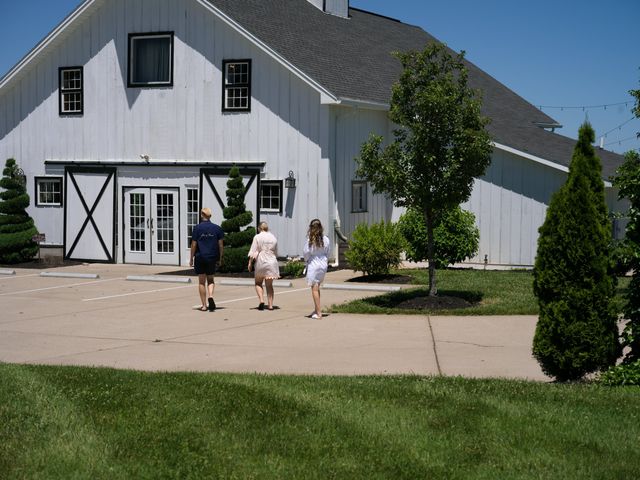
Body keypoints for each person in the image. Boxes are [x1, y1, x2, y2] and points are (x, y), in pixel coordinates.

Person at [189, 207, 224, 312]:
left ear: (201, 215)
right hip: (212, 256)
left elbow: (194, 244)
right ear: (210, 216)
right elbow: (221, 245)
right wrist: (220, 258)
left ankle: (204, 305)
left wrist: (191, 258)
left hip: (200, 256)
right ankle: (211, 296)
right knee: (211, 279)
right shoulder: (217, 228)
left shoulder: (197, 228)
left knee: (201, 282)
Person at [247, 222, 280, 310]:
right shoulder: (273, 237)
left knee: (258, 282)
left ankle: (261, 300)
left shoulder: (257, 237)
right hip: (271, 261)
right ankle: (270, 305)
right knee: (269, 285)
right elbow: (276, 252)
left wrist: (250, 263)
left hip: (261, 261)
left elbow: (253, 251)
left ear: (259, 228)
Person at [303, 218, 330, 319]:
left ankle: (318, 313)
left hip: (314, 264)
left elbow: (306, 253)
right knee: (317, 286)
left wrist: (307, 261)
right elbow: (328, 251)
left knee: (314, 288)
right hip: (323, 263)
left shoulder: (310, 240)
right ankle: (316, 309)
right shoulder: (326, 239)